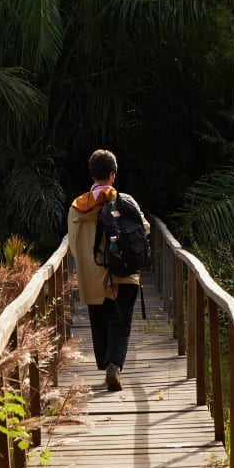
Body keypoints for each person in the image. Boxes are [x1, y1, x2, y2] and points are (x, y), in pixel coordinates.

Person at [67, 149, 149, 392]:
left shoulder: (76, 208)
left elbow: (72, 246)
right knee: (119, 320)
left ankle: (107, 363)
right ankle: (114, 364)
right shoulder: (126, 203)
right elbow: (144, 230)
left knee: (100, 321)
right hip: (124, 273)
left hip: (92, 275)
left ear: (92, 174)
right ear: (113, 174)